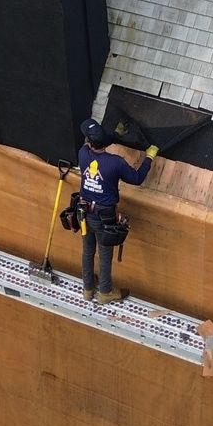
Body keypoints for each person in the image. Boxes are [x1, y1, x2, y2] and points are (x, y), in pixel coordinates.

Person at [77, 118, 156, 304]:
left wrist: (115, 135)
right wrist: (149, 158)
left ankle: (88, 289)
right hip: (105, 217)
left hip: (84, 213)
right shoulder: (115, 163)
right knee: (105, 254)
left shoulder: (83, 154)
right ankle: (105, 292)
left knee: (88, 250)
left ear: (89, 142)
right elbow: (136, 179)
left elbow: (99, 142)